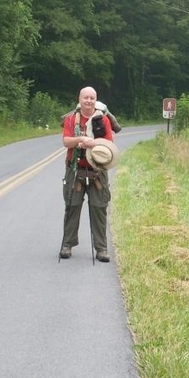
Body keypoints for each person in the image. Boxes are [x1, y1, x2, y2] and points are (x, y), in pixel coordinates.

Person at [60, 86, 115, 262]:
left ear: (96, 100)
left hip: (97, 171)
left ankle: (101, 249)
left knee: (99, 208)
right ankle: (67, 245)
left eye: (92, 98)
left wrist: (93, 144)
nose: (89, 101)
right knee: (72, 206)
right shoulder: (70, 120)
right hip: (75, 170)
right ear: (80, 99)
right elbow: (66, 141)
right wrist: (81, 140)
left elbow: (109, 144)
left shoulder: (103, 120)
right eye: (86, 98)